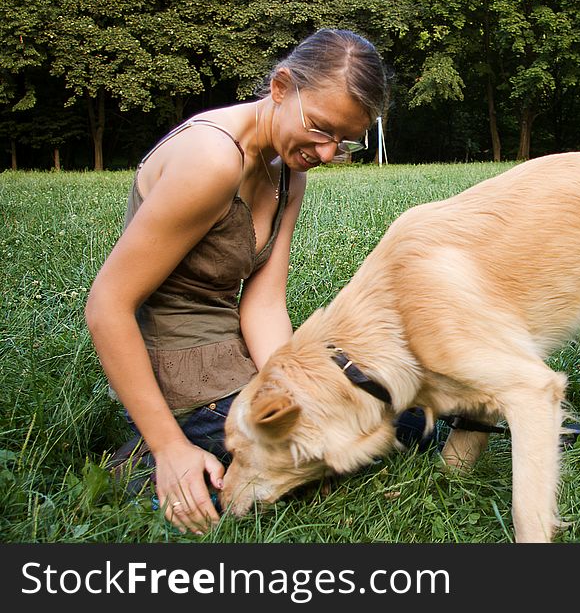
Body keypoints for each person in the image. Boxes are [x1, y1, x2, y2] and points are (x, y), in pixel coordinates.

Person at [86, 28, 420, 535]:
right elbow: (107, 305)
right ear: (282, 87)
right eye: (322, 128)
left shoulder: (288, 171)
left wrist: (301, 389)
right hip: (174, 364)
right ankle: (150, 455)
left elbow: (262, 307)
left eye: (345, 141)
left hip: (233, 354)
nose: (328, 153)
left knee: (392, 411)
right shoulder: (212, 159)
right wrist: (169, 448)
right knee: (299, 460)